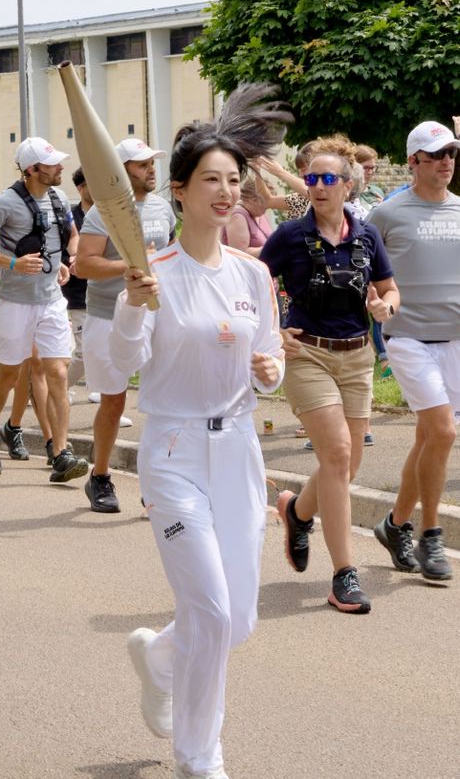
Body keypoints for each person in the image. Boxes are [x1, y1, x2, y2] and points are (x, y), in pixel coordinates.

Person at [110, 122, 283, 779]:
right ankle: (198, 756)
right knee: (209, 608)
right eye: (211, 178)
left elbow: (267, 358)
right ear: (179, 190)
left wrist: (271, 373)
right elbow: (119, 365)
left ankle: (159, 659)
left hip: (237, 450)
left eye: (233, 180)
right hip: (174, 449)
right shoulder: (152, 275)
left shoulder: (253, 273)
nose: (226, 190)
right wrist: (130, 308)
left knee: (236, 621)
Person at [260, 138, 399, 614]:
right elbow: (254, 283)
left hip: (357, 357)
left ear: (347, 185)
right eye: (312, 178)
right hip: (309, 357)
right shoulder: (289, 237)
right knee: (337, 454)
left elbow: (388, 288)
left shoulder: (366, 236)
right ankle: (344, 574)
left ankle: (297, 513)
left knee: (347, 465)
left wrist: (385, 306)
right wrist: (275, 331)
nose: (317, 186)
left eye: (328, 179)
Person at [0, 136, 89, 483]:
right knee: (8, 377)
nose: (61, 167)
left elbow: (72, 233)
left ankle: (61, 453)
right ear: (33, 170)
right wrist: (12, 263)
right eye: (52, 164)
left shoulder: (60, 198)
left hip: (50, 300)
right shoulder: (5, 203)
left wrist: (69, 257)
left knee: (59, 373)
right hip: (14, 303)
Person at [369, 120, 460, 582]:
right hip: (407, 338)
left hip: (456, 342)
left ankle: (394, 524)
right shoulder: (387, 213)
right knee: (443, 432)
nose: (446, 162)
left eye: (451, 153)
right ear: (414, 161)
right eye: (436, 154)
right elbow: (363, 262)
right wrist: (373, 300)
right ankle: (431, 536)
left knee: (429, 438)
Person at [76, 138, 176, 513]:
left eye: (152, 162)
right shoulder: (103, 212)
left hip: (155, 314)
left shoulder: (163, 208)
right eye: (141, 163)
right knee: (114, 402)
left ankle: (155, 483)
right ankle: (100, 476)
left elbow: (170, 255)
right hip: (108, 316)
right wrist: (131, 265)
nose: (151, 169)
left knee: (161, 401)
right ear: (120, 170)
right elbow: (84, 264)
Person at [62, 167, 92, 398]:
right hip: (79, 295)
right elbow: (60, 254)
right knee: (84, 352)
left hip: (107, 296)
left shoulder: (109, 216)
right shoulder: (70, 218)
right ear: (81, 188)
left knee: (104, 351)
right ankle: (58, 390)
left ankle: (102, 390)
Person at [355, 144, 384, 212]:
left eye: (372, 168)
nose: (370, 172)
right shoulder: (347, 194)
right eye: (365, 168)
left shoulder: (377, 191)